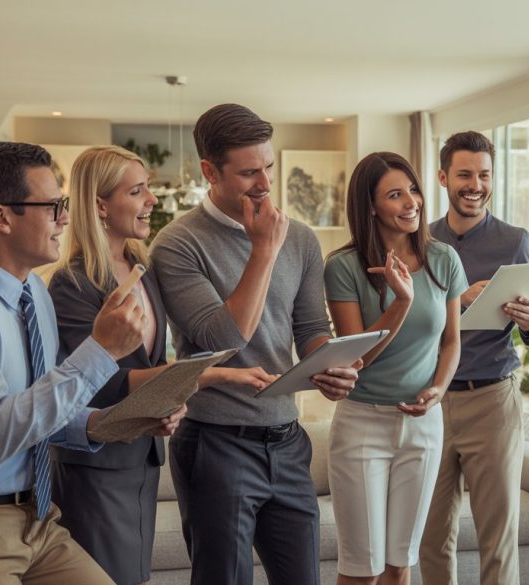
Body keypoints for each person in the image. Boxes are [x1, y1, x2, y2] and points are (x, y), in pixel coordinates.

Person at [0, 141, 183, 585]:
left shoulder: (34, 296)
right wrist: (100, 352)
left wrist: (119, 422)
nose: (66, 217)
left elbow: (41, 412)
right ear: (2, 217)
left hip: (37, 521)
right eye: (52, 206)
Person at [149, 103, 360, 585]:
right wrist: (263, 249)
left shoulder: (301, 239)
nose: (264, 182)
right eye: (248, 172)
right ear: (209, 171)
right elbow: (224, 338)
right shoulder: (177, 245)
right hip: (215, 444)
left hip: (287, 440)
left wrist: (327, 363)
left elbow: (310, 328)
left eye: (268, 166)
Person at [47, 145, 278, 585]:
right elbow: (98, 383)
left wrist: (172, 396)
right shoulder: (73, 283)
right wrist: (211, 374)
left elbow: (154, 363)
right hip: (96, 468)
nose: (152, 200)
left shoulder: (142, 266)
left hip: (142, 457)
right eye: (138, 191)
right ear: (100, 205)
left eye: (148, 188)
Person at [323, 151, 465, 585]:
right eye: (395, 195)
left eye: (414, 190)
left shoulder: (444, 260)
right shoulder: (343, 267)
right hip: (363, 424)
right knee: (362, 569)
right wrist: (401, 302)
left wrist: (439, 389)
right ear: (370, 206)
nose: (412, 202)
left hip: (424, 426)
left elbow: (452, 342)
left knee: (400, 564)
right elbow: (355, 360)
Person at [419, 131, 529, 585]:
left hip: (492, 400)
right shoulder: (420, 241)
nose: (475, 185)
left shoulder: (516, 242)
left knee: (498, 536)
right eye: (465, 174)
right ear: (443, 178)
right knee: (430, 536)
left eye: (484, 175)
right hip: (429, 400)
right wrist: (457, 300)